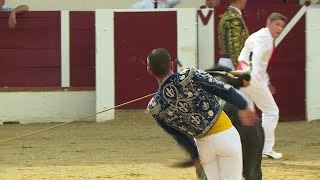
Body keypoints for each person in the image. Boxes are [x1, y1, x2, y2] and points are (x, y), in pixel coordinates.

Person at [146, 48, 257, 180]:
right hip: (226, 136)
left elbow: (180, 136)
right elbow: (222, 89)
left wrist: (195, 157)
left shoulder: (155, 107)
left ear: (149, 71)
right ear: (171, 64)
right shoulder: (189, 75)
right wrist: (244, 106)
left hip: (204, 147)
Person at [237, 12, 288, 159]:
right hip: (252, 77)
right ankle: (265, 148)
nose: (280, 28)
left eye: (282, 26)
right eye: (277, 24)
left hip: (241, 75)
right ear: (268, 23)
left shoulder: (258, 35)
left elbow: (246, 57)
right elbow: (258, 61)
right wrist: (264, 82)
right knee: (272, 112)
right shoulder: (264, 39)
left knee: (248, 115)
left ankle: (247, 148)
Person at [218, 0, 249, 70]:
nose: (246, 1)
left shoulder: (227, 14)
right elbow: (234, 46)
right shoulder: (234, 17)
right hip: (231, 64)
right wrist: (239, 67)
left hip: (227, 62)